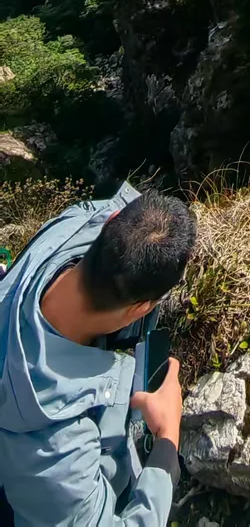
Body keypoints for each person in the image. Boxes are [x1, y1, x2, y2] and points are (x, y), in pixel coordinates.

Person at [0, 182, 197, 527]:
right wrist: (167, 442)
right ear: (139, 310)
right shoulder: (55, 451)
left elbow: (123, 213)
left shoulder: (73, 225)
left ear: (110, 222)